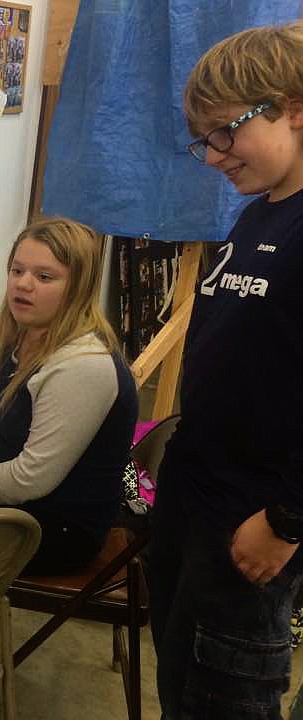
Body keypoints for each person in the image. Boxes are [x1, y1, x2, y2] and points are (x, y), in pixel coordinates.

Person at [146, 21, 303, 719]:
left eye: (225, 133)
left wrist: (288, 520)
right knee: (183, 690)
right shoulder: (259, 216)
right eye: (202, 139)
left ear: (294, 109)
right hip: (196, 503)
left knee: (226, 699)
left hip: (253, 521)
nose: (212, 157)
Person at [0, 217, 138, 575]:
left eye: (44, 277)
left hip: (55, 530)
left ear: (78, 288)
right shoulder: (26, 336)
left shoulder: (81, 364)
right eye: (17, 270)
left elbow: (27, 480)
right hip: (18, 509)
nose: (23, 284)